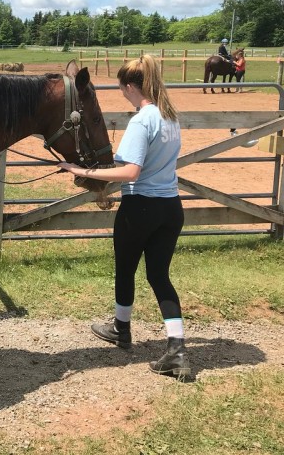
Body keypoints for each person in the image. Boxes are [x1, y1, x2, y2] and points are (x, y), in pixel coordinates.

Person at [58, 54, 190, 379]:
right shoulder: (170, 117)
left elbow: (131, 172)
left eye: (122, 88)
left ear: (131, 86)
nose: (122, 94)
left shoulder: (142, 120)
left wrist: (81, 170)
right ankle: (177, 349)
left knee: (125, 270)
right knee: (159, 276)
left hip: (140, 208)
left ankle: (121, 329)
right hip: (170, 207)